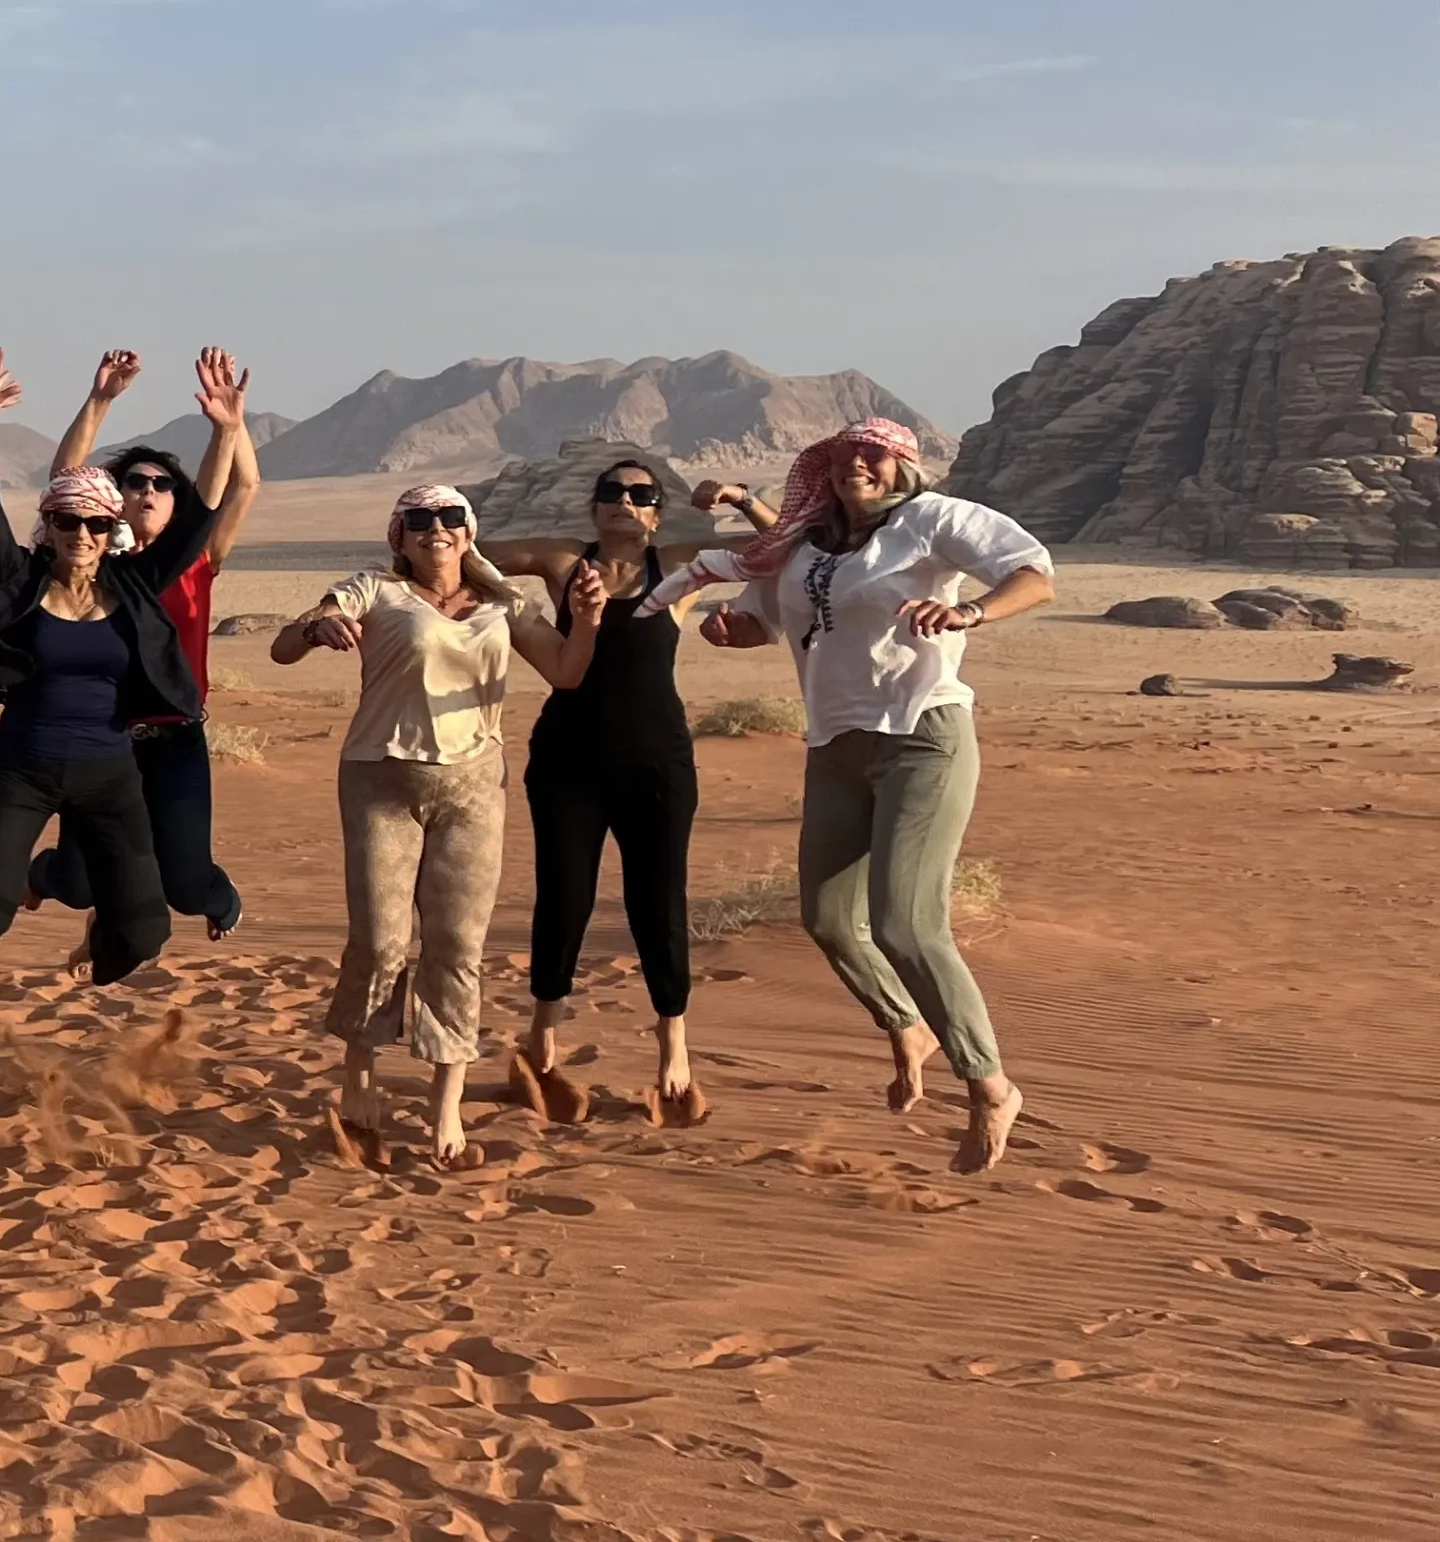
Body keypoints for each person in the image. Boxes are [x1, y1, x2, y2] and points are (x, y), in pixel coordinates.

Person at [641, 418, 1053, 1174]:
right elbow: (764, 621)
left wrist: (970, 611)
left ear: (903, 466)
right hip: (834, 743)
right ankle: (907, 1024)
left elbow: (1033, 573)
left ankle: (989, 1084)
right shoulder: (805, 543)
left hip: (922, 733)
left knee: (906, 924)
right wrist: (732, 630)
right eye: (842, 456)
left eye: (873, 455)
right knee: (829, 918)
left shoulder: (932, 519)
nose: (855, 465)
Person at [272, 485, 603, 1171]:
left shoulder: (504, 604)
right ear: (399, 536)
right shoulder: (376, 589)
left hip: (473, 787)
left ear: (469, 531)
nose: (436, 529)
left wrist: (588, 618)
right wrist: (316, 626)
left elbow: (567, 672)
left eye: (451, 517)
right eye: (419, 520)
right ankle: (359, 1075)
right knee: (381, 940)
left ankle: (445, 1101)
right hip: (381, 779)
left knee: (457, 945)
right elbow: (283, 648)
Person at [0, 346, 252, 984]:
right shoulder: (20, 580)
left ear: (112, 530)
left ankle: (100, 948)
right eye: (68, 521)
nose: (82, 535)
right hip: (23, 769)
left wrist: (225, 431)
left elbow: (200, 519)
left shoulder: (135, 584)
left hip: (109, 775)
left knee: (143, 933)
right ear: (49, 525)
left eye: (97, 524)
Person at [479, 459, 706, 1127]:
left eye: (640, 494)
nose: (623, 502)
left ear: (657, 514)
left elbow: (775, 547)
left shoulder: (678, 567)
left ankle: (673, 1042)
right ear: (594, 507)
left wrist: (744, 500)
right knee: (564, 898)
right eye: (611, 491)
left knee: (657, 903)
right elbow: (470, 555)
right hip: (566, 763)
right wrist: (435, 525)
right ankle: (542, 1038)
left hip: (658, 765)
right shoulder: (564, 561)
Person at [34, 347, 265, 947]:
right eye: (134, 482)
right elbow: (65, 483)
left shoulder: (197, 558)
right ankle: (45, 875)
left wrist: (230, 427)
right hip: (101, 738)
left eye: (162, 484)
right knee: (78, 883)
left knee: (185, 886)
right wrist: (100, 400)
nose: (148, 491)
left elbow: (243, 485)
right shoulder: (91, 562)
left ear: (177, 501)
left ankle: (220, 897)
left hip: (175, 739)